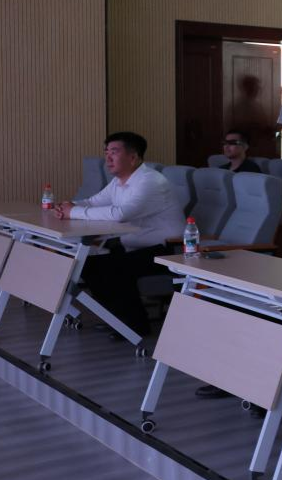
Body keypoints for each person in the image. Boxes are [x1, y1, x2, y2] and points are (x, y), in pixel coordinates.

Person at [53, 132, 184, 338]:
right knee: (88, 264)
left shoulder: (151, 181)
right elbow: (93, 202)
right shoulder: (118, 182)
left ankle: (136, 326)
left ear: (133, 157)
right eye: (106, 153)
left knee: (112, 269)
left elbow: (120, 214)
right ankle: (117, 320)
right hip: (135, 246)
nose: (108, 158)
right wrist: (66, 207)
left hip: (167, 251)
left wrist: (73, 211)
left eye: (114, 152)